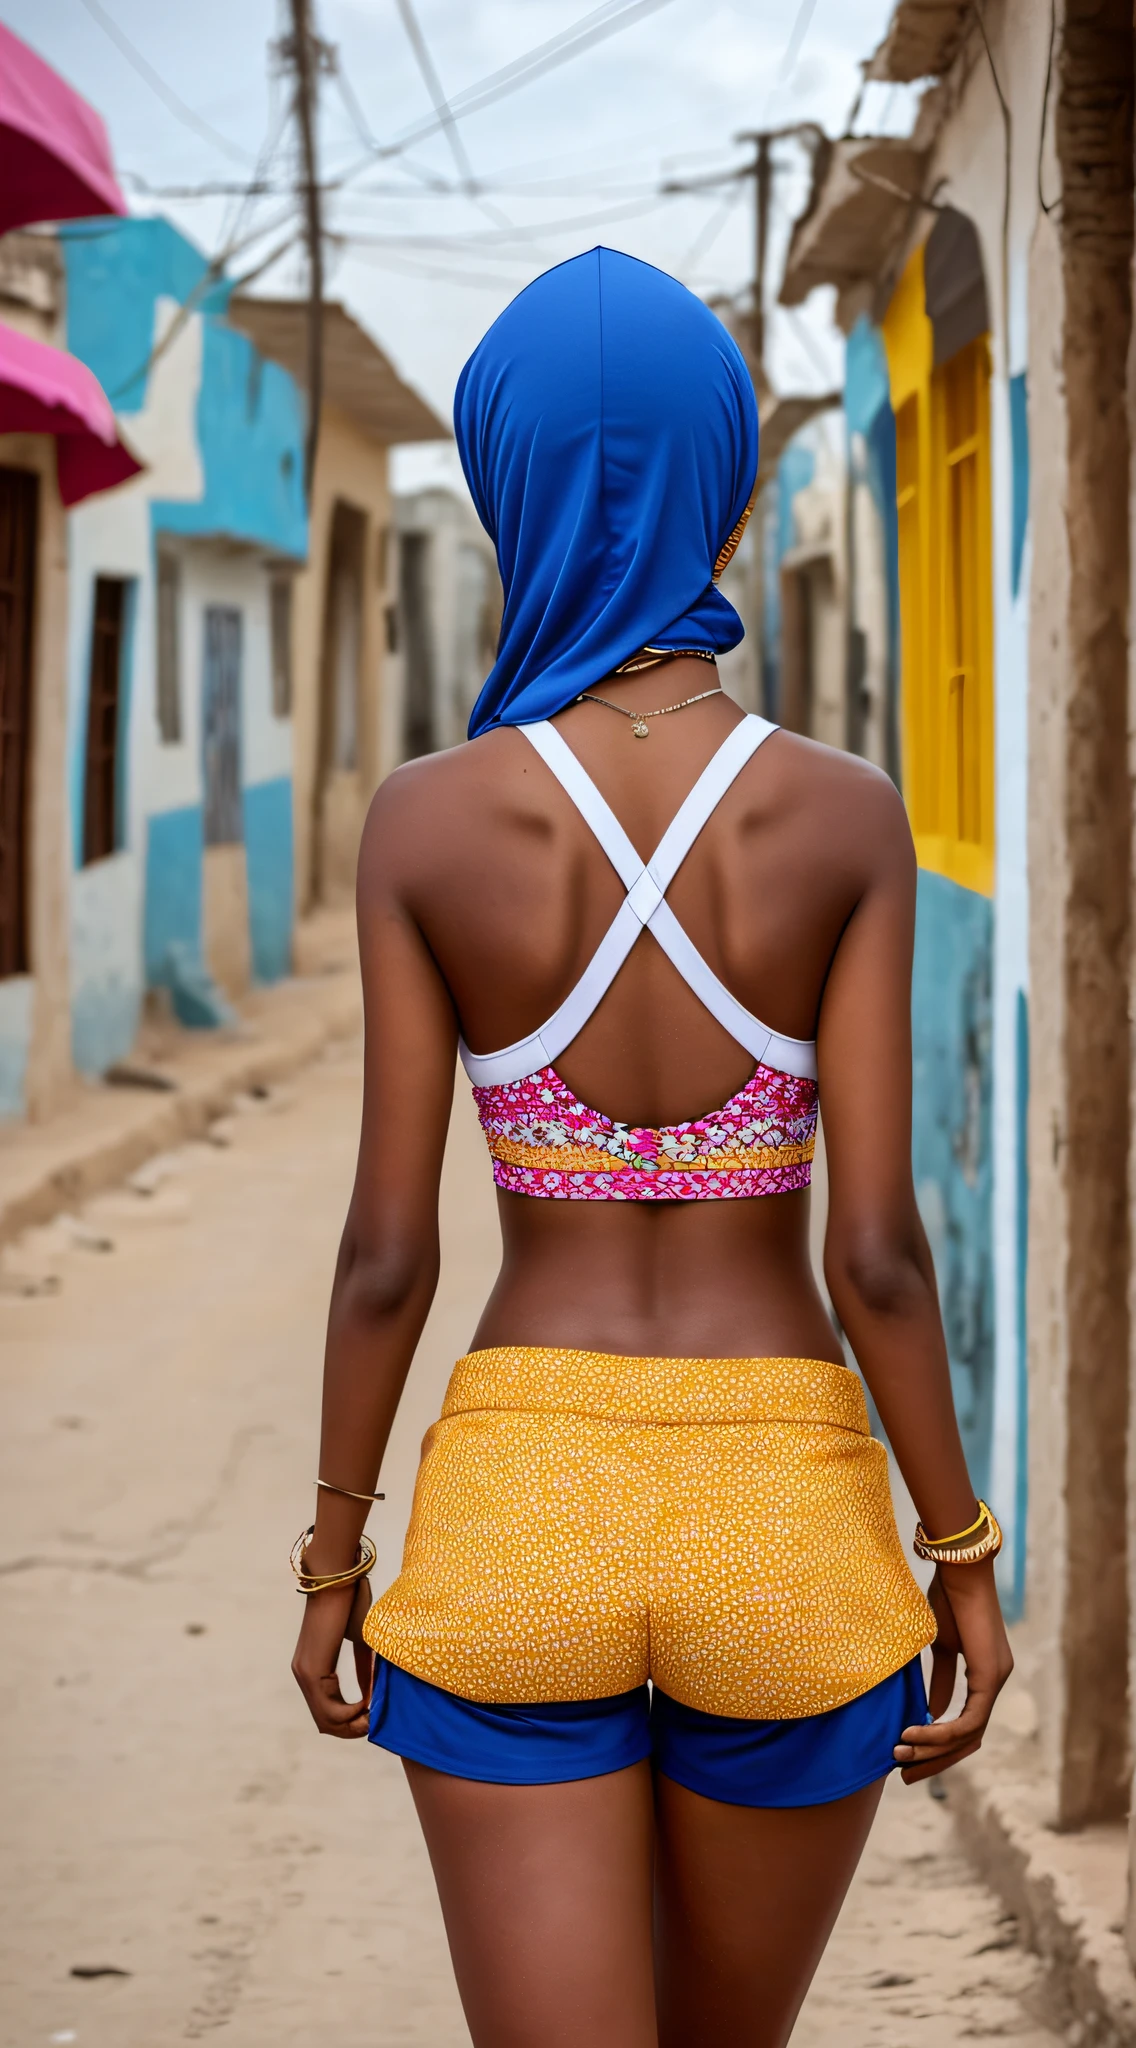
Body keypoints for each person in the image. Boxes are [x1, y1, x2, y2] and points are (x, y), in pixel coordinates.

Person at [291, 246, 1012, 2048]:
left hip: (523, 1510)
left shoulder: (427, 825)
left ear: (503, 488)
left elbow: (390, 1251)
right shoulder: (844, 814)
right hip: (789, 1520)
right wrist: (964, 1557)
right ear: (731, 492)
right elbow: (879, 1257)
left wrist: (332, 1561)